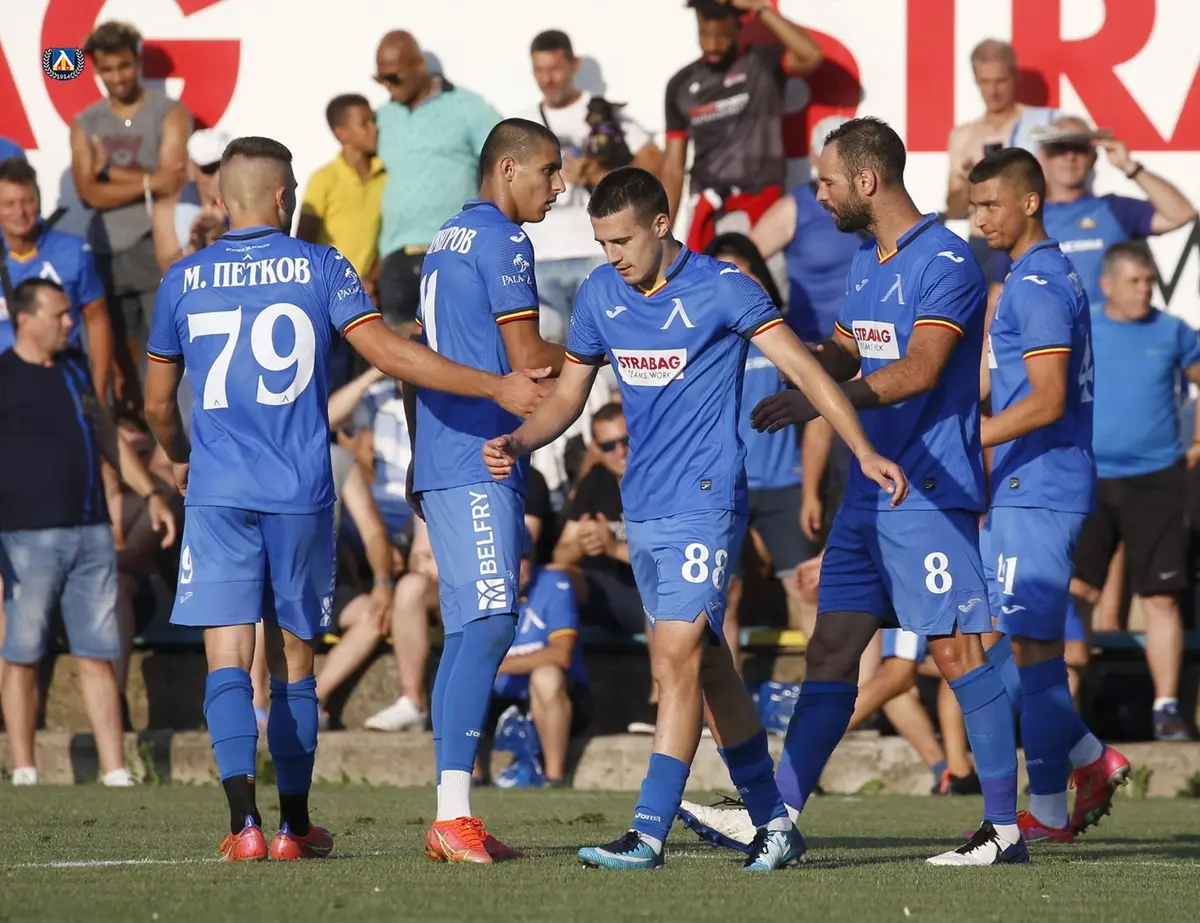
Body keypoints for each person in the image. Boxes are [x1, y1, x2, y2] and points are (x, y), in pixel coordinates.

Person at [483, 165, 906, 872]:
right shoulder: (600, 293)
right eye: (601, 241)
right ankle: (774, 822)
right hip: (643, 506)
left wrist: (861, 450)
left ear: (661, 224)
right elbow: (569, 398)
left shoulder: (724, 287)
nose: (611, 255)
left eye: (621, 240)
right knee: (710, 670)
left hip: (707, 501)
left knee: (674, 656)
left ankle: (646, 832)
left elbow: (808, 371)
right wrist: (520, 441)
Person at [141, 135, 548, 863]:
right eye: (293, 187)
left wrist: (178, 457)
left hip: (219, 489)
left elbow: (155, 404)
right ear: (279, 196)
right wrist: (493, 384)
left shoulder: (182, 277)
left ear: (221, 198)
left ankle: (244, 824)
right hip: (298, 490)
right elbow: (390, 355)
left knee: (228, 657)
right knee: (295, 664)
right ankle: (294, 826)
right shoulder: (321, 265)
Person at [686, 117, 1025, 866]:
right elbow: (845, 349)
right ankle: (778, 817)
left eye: (827, 181)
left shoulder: (946, 260)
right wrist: (798, 367)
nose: (819, 194)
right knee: (833, 648)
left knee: (958, 652)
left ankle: (1003, 829)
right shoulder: (868, 258)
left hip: (927, 491)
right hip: (869, 493)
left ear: (867, 181)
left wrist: (819, 401)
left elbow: (921, 369)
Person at [405, 117, 568, 865]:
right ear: (507, 169)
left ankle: (451, 812)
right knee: (493, 623)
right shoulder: (505, 241)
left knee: (472, 629)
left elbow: (422, 354)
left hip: (447, 452)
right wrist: (609, 342)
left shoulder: (446, 238)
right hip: (480, 456)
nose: (558, 186)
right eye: (549, 170)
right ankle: (451, 815)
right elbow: (527, 353)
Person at [969, 147, 1129, 841]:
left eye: (990, 205)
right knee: (1026, 649)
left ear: (1030, 202)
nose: (980, 220)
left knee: (1024, 649)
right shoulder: (1035, 275)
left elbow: (1048, 399)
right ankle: (1077, 775)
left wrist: (970, 439)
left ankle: (1073, 782)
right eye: (974, 207)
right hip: (1028, 483)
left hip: (1038, 486)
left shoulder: (1035, 284)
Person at [0, 278, 174, 788]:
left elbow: (106, 436)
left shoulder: (75, 367)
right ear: (25, 319)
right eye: (58, 314)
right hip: (25, 537)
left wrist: (150, 493)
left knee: (98, 654)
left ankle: (114, 768)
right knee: (21, 654)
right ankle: (24, 768)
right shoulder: (4, 376)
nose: (70, 321)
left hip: (93, 532)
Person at [1072, 241, 1200, 742]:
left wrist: (1196, 441)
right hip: (1089, 478)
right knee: (1077, 593)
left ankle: (1166, 709)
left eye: (1149, 281)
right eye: (1135, 281)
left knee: (1161, 597)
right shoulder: (1083, 327)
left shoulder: (1171, 331)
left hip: (1156, 480)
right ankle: (1067, 713)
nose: (1146, 290)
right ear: (1107, 285)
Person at [71, 21, 191, 409]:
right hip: (106, 250)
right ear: (96, 69)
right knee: (120, 365)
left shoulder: (169, 112)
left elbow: (174, 181)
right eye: (107, 69)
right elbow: (88, 193)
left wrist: (110, 171)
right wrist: (150, 180)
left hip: (156, 248)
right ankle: (129, 433)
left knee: (165, 359)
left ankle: (167, 438)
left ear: (137, 62)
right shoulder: (86, 121)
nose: (117, 77)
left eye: (124, 66)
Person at [515, 29, 661, 322]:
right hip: (538, 257)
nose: (547, 79)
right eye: (539, 71)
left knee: (604, 345)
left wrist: (599, 176)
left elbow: (654, 166)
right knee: (548, 350)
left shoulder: (601, 112)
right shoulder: (523, 121)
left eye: (555, 69)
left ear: (574, 65)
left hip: (596, 253)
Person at [664, 0, 824, 249]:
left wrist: (760, 8)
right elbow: (673, 169)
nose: (712, 44)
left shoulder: (763, 62)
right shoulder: (680, 85)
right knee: (703, 275)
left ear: (738, 29)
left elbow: (812, 55)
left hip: (762, 203)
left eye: (721, 36)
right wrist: (663, 236)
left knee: (761, 275)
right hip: (708, 206)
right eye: (704, 34)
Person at [373, 31, 501, 327]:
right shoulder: (382, 118)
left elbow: (505, 162)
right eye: (380, 79)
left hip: (455, 249)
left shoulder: (467, 107)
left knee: (459, 341)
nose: (387, 86)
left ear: (419, 65)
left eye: (393, 77)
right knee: (401, 348)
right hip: (397, 256)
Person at [0, 158, 113, 399]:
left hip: (63, 387)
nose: (19, 212)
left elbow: (97, 321)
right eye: (9, 204)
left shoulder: (74, 251)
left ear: (39, 203)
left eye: (27, 201)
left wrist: (99, 394)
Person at [488, 531, 590, 787]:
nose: (515, 566)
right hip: (501, 697)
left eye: (522, 558)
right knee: (463, 680)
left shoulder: (554, 584)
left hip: (558, 698)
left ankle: (554, 777)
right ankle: (470, 777)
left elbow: (561, 654)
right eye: (508, 558)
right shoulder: (483, 591)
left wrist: (497, 665)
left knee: (546, 675)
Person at [750, 115, 865, 344]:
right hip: (814, 346)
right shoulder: (794, 207)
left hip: (870, 345)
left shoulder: (871, 201)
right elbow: (738, 263)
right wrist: (767, 325)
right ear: (814, 156)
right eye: (829, 155)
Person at [296, 94, 385, 293]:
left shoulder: (386, 177)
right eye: (365, 123)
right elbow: (304, 242)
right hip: (327, 290)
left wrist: (371, 280)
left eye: (373, 121)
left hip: (370, 291)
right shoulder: (323, 179)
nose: (375, 128)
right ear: (341, 133)